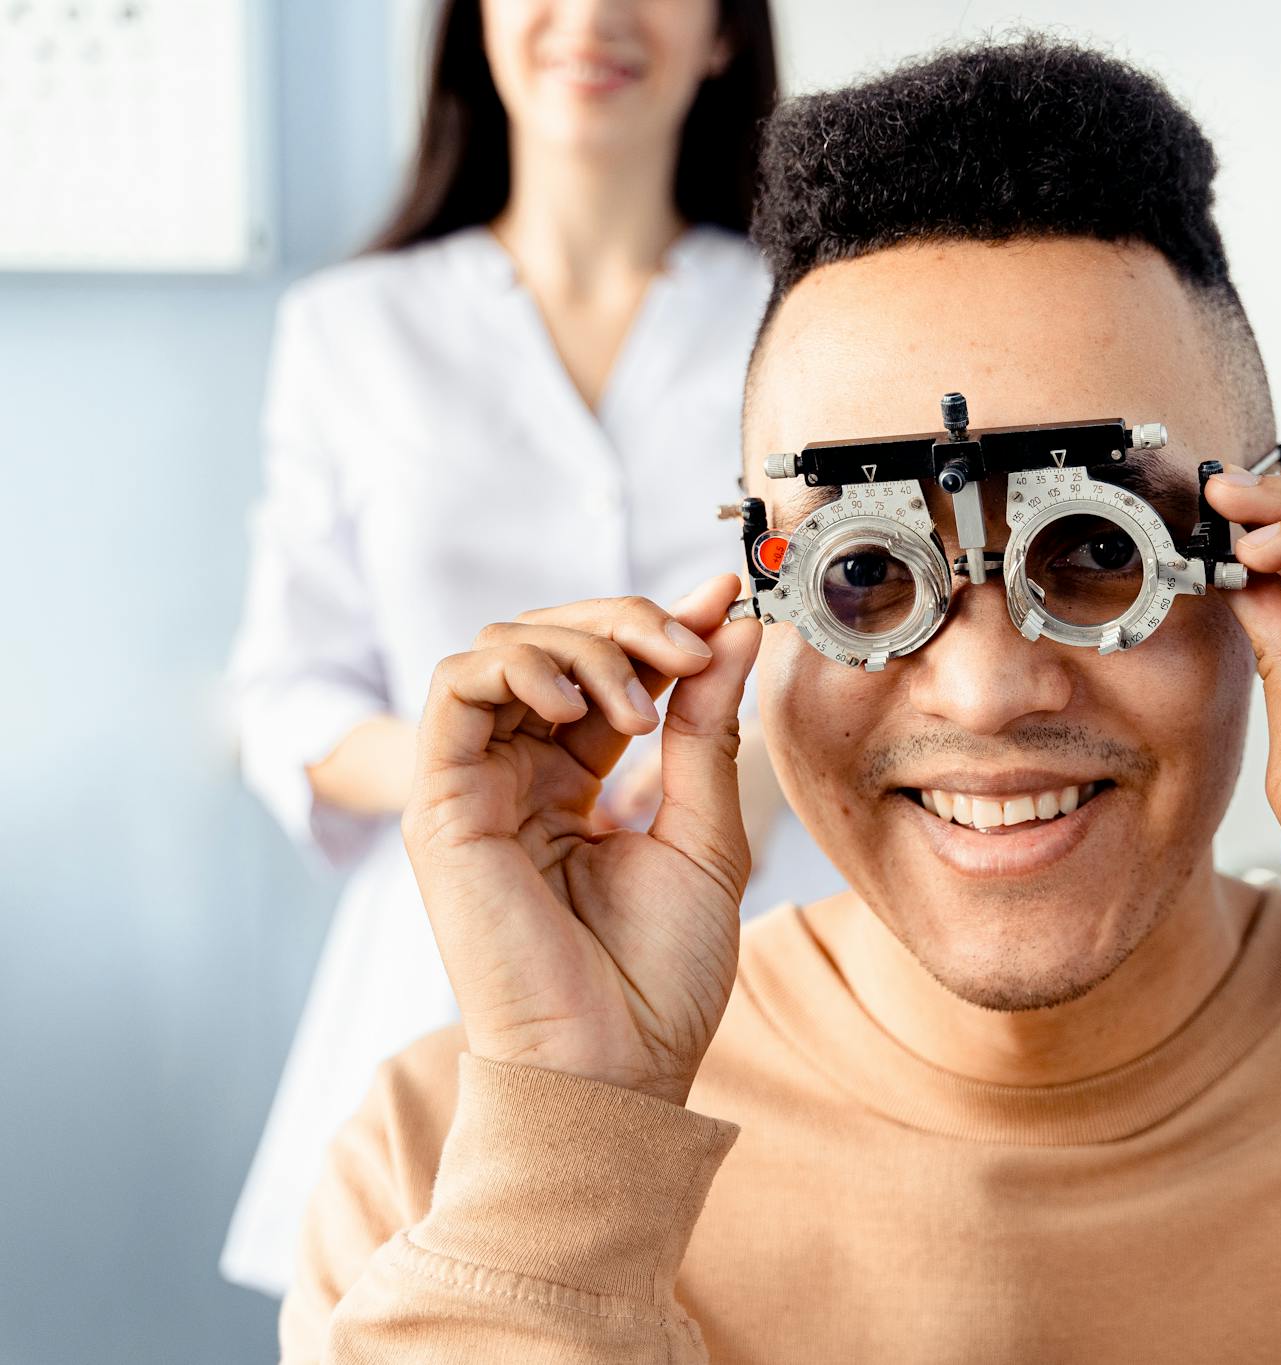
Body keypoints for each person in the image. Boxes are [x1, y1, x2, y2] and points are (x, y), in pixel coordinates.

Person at [279, 38, 1281, 1363]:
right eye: (864, 575)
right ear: (749, 602)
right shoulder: (453, 1169)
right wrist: (569, 1151)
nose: (984, 682)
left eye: (1091, 553)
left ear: (1272, 560)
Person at [222, 0, 835, 1299]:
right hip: (446, 945)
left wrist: (727, 799)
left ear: (725, 31)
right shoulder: (352, 329)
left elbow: (866, 632)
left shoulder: (815, 323)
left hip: (771, 921)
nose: (598, 13)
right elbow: (288, 693)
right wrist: (480, 780)